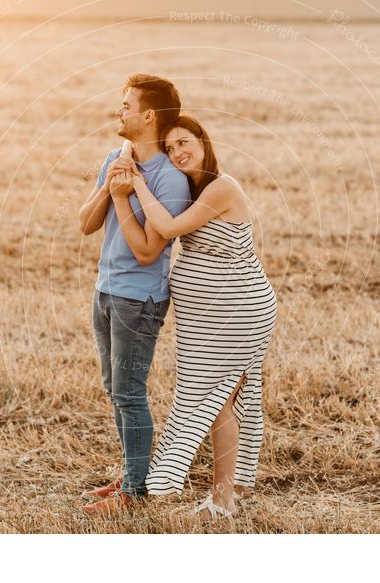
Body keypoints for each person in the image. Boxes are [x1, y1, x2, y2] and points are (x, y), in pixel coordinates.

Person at [108, 115, 277, 520]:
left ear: (204, 141)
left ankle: (222, 502)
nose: (178, 153)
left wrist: (139, 184)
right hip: (209, 317)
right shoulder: (196, 188)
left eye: (184, 143)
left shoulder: (221, 188)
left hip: (237, 310)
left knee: (216, 401)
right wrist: (132, 156)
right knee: (224, 400)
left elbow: (164, 227)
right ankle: (230, 490)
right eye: (170, 149)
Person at [78, 74, 191, 516]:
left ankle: (135, 491)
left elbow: (147, 252)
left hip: (139, 300)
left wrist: (123, 195)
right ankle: (129, 478)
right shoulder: (116, 158)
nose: (119, 111)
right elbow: (86, 224)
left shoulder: (171, 180)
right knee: (114, 388)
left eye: (126, 105)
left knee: (129, 392)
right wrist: (112, 182)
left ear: (148, 116)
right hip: (105, 290)